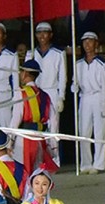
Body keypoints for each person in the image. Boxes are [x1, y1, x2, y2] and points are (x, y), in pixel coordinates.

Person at [9, 60, 58, 176]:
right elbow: (54, 121)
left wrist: (9, 141)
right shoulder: (45, 95)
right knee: (38, 174)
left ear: (25, 73)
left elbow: (16, 119)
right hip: (40, 140)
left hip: (24, 139)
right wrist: (53, 144)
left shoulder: (21, 93)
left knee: (24, 174)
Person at [71, 32, 105, 173]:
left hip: (98, 96)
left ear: (96, 43)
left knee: (99, 132)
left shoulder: (102, 63)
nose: (87, 44)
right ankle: (86, 163)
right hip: (85, 97)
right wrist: (74, 86)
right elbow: (76, 81)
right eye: (85, 41)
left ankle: (98, 164)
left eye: (90, 41)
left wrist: (104, 103)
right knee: (84, 132)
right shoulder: (78, 63)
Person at [30, 22, 66, 169]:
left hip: (52, 91)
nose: (42, 36)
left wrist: (61, 96)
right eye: (39, 33)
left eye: (45, 32)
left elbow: (63, 76)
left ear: (50, 35)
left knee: (53, 129)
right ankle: (38, 160)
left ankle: (55, 160)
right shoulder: (31, 53)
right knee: (37, 129)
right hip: (36, 92)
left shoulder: (58, 53)